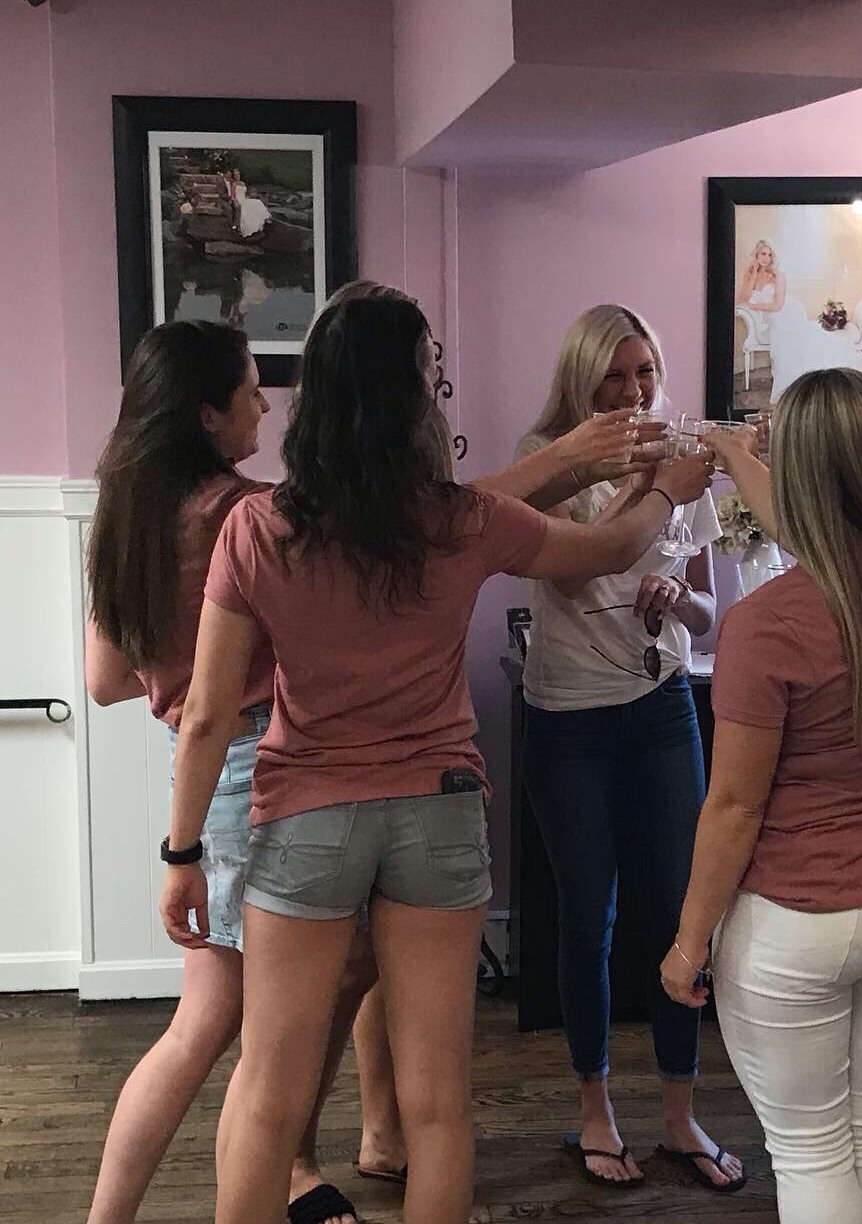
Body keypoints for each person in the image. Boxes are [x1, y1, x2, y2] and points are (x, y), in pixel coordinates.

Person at [158, 285, 710, 1224]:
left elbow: (209, 713)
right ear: (420, 394)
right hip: (439, 810)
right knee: (438, 1104)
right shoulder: (461, 519)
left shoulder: (258, 527)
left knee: (270, 1092)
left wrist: (181, 856)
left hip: (305, 816)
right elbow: (609, 545)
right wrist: (666, 491)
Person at [83, 319, 379, 1224]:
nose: (266, 404)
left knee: (286, 992)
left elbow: (102, 682)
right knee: (223, 1027)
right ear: (210, 414)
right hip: (258, 766)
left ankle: (272, 1168)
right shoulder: (247, 514)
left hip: (200, 769)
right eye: (253, 389)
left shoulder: (127, 510)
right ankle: (269, 1172)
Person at [661, 367, 862, 1224]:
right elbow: (821, 523)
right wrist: (725, 446)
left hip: (803, 921)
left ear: (793, 474)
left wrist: (687, 945)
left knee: (813, 1157)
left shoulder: (768, 624)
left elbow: (734, 808)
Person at [516, 304, 744, 1193]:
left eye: (645, 372)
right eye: (614, 376)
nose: (636, 390)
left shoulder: (682, 465)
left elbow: (708, 610)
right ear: (581, 382)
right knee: (588, 920)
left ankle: (682, 1115)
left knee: (680, 917)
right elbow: (572, 566)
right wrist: (646, 490)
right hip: (571, 719)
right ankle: (594, 1109)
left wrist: (673, 597)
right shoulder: (551, 459)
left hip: (662, 710)